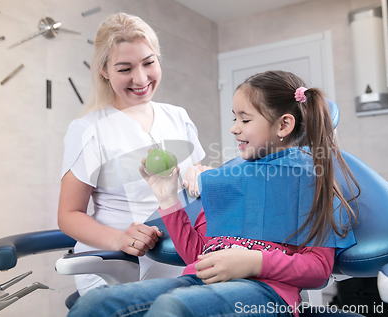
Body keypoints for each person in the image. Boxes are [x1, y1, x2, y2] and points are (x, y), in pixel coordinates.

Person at [66, 70, 360, 317]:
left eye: (245, 120)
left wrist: (253, 262)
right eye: (234, 118)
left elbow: (318, 269)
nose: (234, 128)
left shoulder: (311, 182)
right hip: (200, 281)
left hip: (267, 292)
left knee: (173, 308)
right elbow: (198, 253)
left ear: (284, 124)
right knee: (95, 303)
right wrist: (167, 197)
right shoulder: (225, 182)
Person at [57, 13, 206, 296]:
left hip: (184, 257)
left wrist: (200, 176)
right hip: (118, 267)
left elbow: (193, 181)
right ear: (104, 70)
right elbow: (68, 215)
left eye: (149, 63)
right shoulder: (89, 130)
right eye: (125, 69)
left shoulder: (178, 117)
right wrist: (119, 239)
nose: (141, 78)